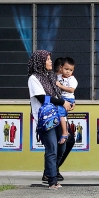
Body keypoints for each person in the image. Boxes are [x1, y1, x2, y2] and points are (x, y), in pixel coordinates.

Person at [26, 50, 68, 188]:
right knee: (52, 148)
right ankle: (52, 181)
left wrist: (65, 104)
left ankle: (49, 172)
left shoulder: (49, 76)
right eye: (48, 59)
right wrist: (62, 102)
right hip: (46, 119)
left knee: (64, 144)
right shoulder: (34, 78)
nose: (51, 61)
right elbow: (42, 98)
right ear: (40, 61)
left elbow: (57, 93)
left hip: (57, 116)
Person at [52, 57, 78, 178]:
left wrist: (72, 102)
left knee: (68, 141)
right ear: (60, 69)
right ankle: (51, 172)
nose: (66, 72)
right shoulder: (52, 79)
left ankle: (53, 170)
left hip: (61, 109)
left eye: (69, 70)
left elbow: (70, 91)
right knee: (59, 143)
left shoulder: (68, 80)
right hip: (53, 114)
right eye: (64, 69)